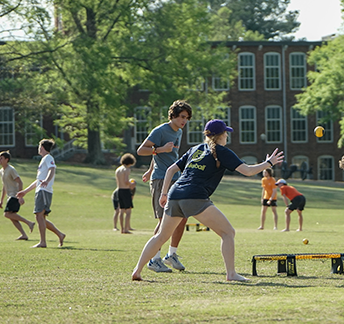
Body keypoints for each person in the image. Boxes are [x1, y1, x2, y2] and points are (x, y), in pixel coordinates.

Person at [131, 119, 284, 282]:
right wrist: (268, 163)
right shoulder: (222, 151)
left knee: (160, 236)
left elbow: (170, 169)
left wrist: (163, 194)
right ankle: (231, 274)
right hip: (195, 196)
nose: (227, 136)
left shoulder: (195, 149)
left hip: (175, 194)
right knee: (228, 232)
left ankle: (137, 270)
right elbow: (247, 171)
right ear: (221, 135)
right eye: (226, 133)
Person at [137, 100, 191, 272]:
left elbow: (168, 154)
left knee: (182, 218)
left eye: (187, 118)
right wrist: (159, 151)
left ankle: (171, 254)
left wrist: (150, 167)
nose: (184, 121)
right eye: (182, 117)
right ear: (173, 115)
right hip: (161, 179)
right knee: (164, 220)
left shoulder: (179, 132)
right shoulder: (160, 130)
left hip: (176, 178)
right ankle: (154, 259)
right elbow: (142, 150)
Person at [16, 139, 66, 248]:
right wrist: (25, 191)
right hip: (40, 190)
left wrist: (47, 181)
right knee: (41, 217)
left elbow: (52, 169)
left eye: (39, 146)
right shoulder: (43, 159)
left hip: (44, 191)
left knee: (39, 216)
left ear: (42, 147)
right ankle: (60, 234)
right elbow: (38, 180)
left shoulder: (48, 157)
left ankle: (43, 242)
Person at [0, 150, 35, 240]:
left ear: (7, 159)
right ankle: (24, 235)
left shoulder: (11, 170)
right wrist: (1, 200)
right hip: (9, 196)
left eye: (1, 158)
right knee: (12, 216)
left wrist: (20, 196)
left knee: (7, 214)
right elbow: (4, 186)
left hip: (15, 195)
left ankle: (29, 223)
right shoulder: (1, 171)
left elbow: (19, 181)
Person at [115, 153, 137, 234]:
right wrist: (132, 184)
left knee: (121, 210)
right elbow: (126, 181)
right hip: (126, 190)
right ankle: (126, 228)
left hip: (119, 190)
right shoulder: (126, 169)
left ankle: (122, 229)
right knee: (128, 211)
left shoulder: (118, 169)